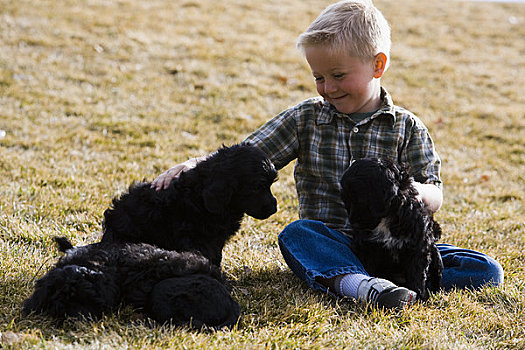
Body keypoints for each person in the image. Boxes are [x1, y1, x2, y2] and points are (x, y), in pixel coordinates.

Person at [152, 0, 504, 309]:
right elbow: (248, 156)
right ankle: (361, 285)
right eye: (318, 77)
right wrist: (197, 164)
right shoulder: (306, 117)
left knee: (485, 269)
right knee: (297, 234)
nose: (327, 87)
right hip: (333, 241)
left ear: (378, 65)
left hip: (395, 246)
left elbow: (434, 192)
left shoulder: (406, 127)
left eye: (338, 75)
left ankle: (386, 281)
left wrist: (408, 191)